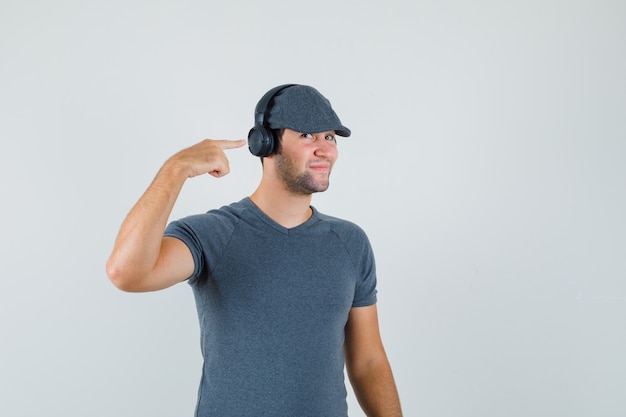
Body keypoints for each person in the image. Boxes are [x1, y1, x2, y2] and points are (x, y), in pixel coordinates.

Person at [106, 84, 402, 417]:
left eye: (330, 137)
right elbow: (126, 272)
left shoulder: (350, 243)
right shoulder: (213, 234)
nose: (325, 150)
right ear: (265, 143)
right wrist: (176, 169)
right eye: (308, 135)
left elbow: (369, 362)